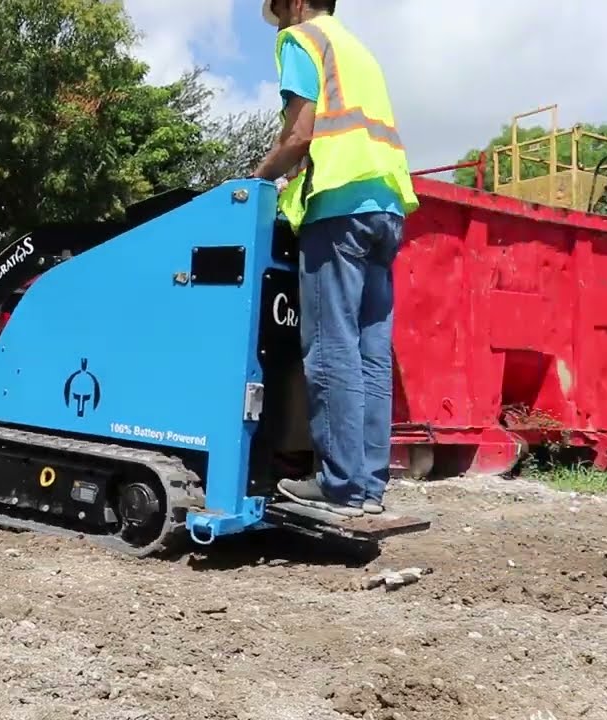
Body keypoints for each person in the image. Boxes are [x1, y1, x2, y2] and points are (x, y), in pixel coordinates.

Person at [247, 0, 419, 518]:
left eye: (278, 12)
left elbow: (300, 134)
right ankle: (367, 486)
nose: (278, 23)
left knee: (329, 346)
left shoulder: (302, 40)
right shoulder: (359, 50)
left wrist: (251, 181)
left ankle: (340, 485)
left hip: (338, 210)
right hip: (386, 210)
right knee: (370, 353)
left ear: (296, 4)